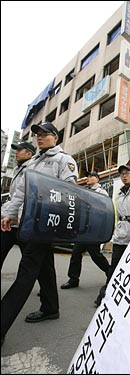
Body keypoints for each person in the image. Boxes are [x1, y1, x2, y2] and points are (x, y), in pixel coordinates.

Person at [1, 122, 78, 345]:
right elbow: (20, 194)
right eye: (38, 135)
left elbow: (69, 196)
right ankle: (51, 307)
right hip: (26, 222)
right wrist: (9, 213)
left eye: (45, 134)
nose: (40, 138)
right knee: (43, 266)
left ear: (56, 137)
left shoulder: (65, 160)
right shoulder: (33, 162)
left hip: (44, 225)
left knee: (26, 272)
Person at [95, 164, 130, 306]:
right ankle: (106, 295)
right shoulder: (119, 194)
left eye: (127, 173)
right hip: (120, 234)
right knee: (115, 265)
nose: (124, 176)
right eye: (122, 174)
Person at [61, 171, 110, 289]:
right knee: (76, 253)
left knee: (96, 255)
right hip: (82, 229)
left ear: (97, 179)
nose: (88, 178)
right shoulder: (83, 191)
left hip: (93, 229)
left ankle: (110, 273)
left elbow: (103, 211)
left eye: (91, 176)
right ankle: (73, 279)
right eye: (87, 176)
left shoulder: (101, 192)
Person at [1, 141, 36, 269]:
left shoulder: (33, 168)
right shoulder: (18, 169)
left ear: (29, 153)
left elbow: (27, 195)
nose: (16, 153)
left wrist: (16, 214)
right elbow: (14, 195)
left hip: (23, 222)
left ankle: (48, 289)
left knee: (32, 260)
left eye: (19, 150)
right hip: (12, 221)